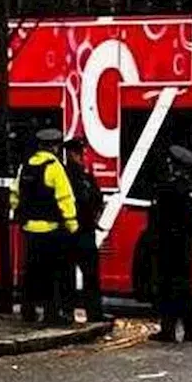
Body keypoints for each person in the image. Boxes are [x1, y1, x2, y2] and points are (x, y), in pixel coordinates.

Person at [10, 128, 78, 325]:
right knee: (51, 275)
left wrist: (20, 216)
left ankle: (28, 310)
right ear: (55, 147)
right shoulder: (54, 167)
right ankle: (51, 314)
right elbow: (64, 198)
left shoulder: (26, 166)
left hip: (30, 229)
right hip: (50, 229)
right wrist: (72, 225)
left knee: (31, 273)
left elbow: (15, 194)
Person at [148, 145, 192, 343]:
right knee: (185, 287)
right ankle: (191, 329)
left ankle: (168, 330)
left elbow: (159, 220)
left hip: (169, 245)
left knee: (167, 287)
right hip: (186, 245)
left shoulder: (169, 189)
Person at [62, 137, 108, 322]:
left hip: (85, 230)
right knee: (70, 275)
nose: (81, 157)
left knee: (88, 275)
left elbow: (98, 198)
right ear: (71, 154)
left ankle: (91, 312)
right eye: (79, 153)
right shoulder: (66, 176)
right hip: (72, 231)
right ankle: (70, 311)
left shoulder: (85, 176)